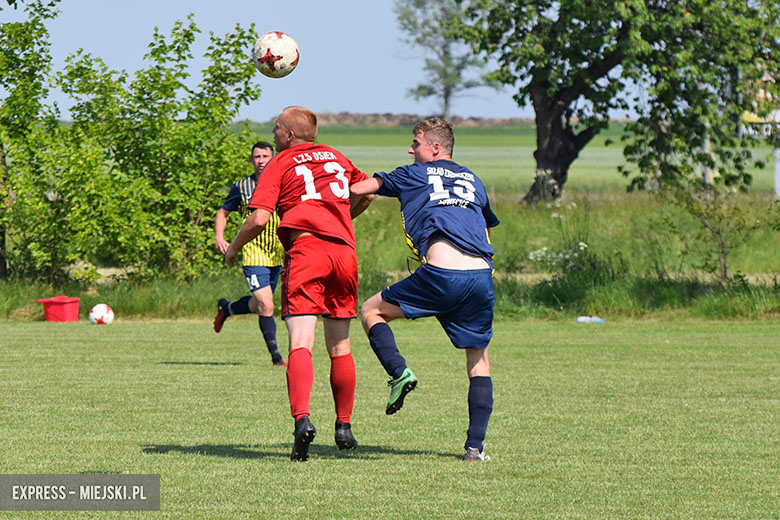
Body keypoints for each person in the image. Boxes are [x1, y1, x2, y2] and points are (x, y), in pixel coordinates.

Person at [224, 106, 373, 462]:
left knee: (301, 342)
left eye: (276, 128)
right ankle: (344, 425)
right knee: (340, 344)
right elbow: (366, 192)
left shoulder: (280, 162)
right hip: (344, 253)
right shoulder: (336, 156)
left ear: (289, 135)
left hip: (308, 251)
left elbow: (259, 218)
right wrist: (339, 217)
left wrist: (233, 248)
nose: (273, 133)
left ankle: (302, 421)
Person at [350, 118, 499, 462]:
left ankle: (399, 372)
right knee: (479, 360)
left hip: (442, 273)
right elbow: (484, 227)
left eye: (415, 143)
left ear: (435, 148)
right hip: (481, 276)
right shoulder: (473, 179)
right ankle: (474, 448)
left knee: (371, 310)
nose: (410, 149)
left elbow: (359, 189)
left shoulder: (414, 173)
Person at [214, 141, 287, 367]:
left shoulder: (284, 183)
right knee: (267, 305)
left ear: (273, 159)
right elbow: (223, 213)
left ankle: (227, 308)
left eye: (265, 156)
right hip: (253, 253)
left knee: (259, 305)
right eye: (257, 156)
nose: (261, 161)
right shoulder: (242, 186)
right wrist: (220, 238)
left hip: (277, 253)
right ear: (251, 160)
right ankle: (276, 358)